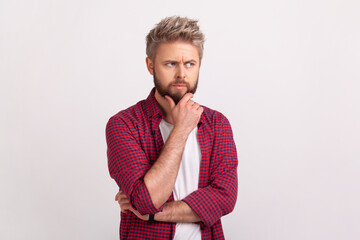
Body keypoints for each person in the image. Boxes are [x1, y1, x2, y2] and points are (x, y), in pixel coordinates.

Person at [106, 16, 238, 240]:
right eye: (170, 64)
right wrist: (181, 130)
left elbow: (224, 198)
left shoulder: (217, 124)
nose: (181, 74)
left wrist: (150, 215)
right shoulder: (124, 124)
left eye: (190, 64)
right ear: (150, 66)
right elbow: (148, 199)